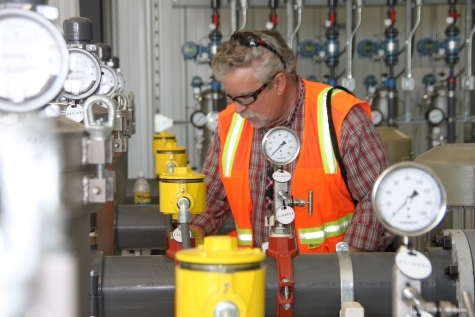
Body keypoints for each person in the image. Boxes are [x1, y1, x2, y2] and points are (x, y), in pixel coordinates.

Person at [190, 29, 394, 253]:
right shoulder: (230, 123)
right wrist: (192, 230)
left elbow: (380, 197)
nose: (238, 109)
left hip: (328, 275)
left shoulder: (339, 117)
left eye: (246, 97)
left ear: (278, 83)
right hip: (257, 275)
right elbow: (213, 197)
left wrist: (347, 267)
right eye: (232, 97)